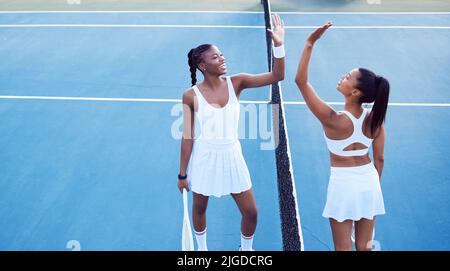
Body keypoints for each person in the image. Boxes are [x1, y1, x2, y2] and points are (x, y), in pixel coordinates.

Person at [177, 14, 285, 251]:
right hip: (205, 157)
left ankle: (245, 251)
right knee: (200, 208)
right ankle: (202, 251)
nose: (222, 58)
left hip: (233, 156)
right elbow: (187, 136)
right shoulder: (190, 95)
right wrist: (182, 174)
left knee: (251, 212)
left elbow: (277, 76)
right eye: (215, 56)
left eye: (221, 54)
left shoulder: (238, 82)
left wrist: (279, 45)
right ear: (203, 66)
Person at [295, 22, 389, 251]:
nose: (342, 77)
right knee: (365, 247)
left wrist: (309, 43)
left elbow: (301, 82)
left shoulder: (332, 119)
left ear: (355, 92)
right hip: (369, 183)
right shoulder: (375, 120)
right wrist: (371, 188)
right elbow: (379, 160)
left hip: (343, 185)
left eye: (347, 77)